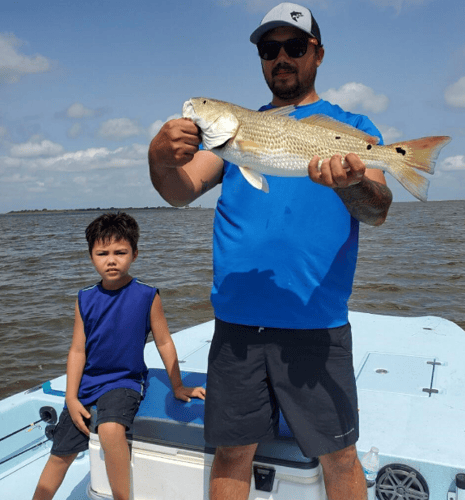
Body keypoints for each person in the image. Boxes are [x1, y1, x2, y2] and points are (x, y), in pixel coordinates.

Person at [148, 3, 392, 499]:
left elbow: (377, 209)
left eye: (295, 46)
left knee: (340, 457)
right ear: (260, 59)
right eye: (269, 48)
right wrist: (156, 158)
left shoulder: (352, 125)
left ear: (318, 54)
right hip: (238, 328)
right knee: (233, 453)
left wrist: (348, 185)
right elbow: (178, 192)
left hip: (316, 326)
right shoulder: (234, 135)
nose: (281, 57)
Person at [32, 212, 206, 500]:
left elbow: (164, 342)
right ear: (91, 257)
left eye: (120, 252)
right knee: (60, 452)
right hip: (88, 384)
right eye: (102, 253)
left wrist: (177, 385)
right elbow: (77, 350)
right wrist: (71, 398)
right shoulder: (84, 297)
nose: (111, 260)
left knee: (111, 429)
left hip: (124, 381)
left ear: (134, 254)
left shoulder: (147, 295)